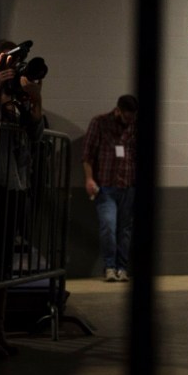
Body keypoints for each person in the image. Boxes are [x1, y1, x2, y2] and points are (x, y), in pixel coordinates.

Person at [0, 40, 47, 358]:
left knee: (2, 267)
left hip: (15, 185)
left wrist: (36, 101)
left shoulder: (20, 97)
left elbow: (36, 136)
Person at [82, 95, 138, 282]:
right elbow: (88, 153)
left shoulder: (134, 126)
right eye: (127, 116)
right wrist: (89, 179)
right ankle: (110, 266)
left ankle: (122, 268)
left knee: (125, 230)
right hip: (106, 186)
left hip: (128, 185)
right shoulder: (100, 123)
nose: (129, 121)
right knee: (108, 226)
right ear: (118, 110)